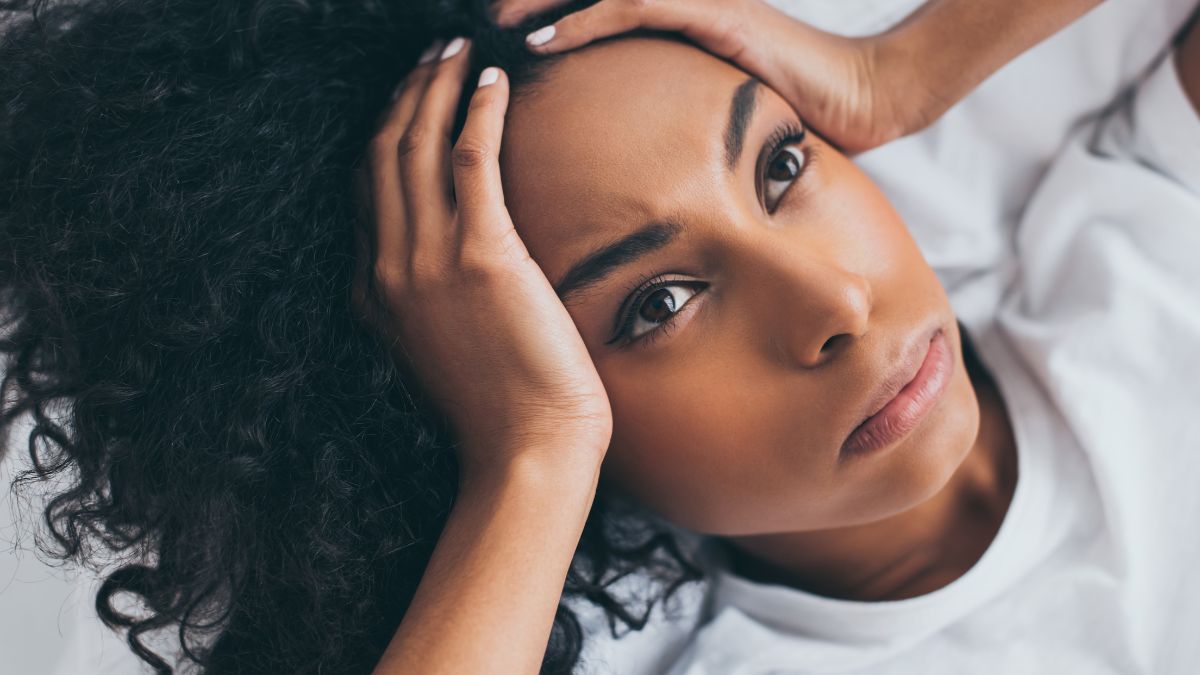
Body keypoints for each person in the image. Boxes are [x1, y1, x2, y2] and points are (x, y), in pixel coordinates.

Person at [0, 1, 1195, 674]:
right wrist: (529, 457)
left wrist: (899, 74)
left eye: (783, 165)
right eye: (657, 305)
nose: (835, 307)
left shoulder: (1143, 235)